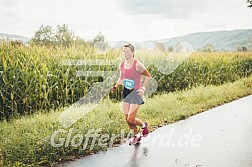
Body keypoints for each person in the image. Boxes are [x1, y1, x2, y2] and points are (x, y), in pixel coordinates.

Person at [111, 44, 152, 145]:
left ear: (132, 53)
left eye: (127, 51)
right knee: (127, 120)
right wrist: (116, 86)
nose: (125, 53)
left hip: (135, 93)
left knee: (131, 119)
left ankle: (143, 126)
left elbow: (148, 76)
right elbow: (121, 78)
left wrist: (143, 88)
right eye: (124, 51)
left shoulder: (137, 65)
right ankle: (136, 135)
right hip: (126, 92)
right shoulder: (122, 64)